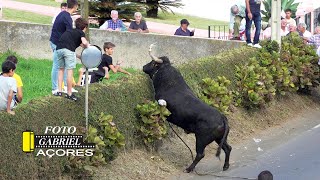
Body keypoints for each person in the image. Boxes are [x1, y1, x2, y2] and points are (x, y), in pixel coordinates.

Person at [55, 18, 90, 101]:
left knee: (61, 70)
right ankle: (69, 93)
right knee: (69, 71)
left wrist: (79, 55)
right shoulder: (81, 32)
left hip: (59, 49)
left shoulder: (70, 31)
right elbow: (84, 43)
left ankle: (59, 91)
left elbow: (73, 44)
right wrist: (88, 45)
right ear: (84, 27)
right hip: (68, 50)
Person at [49, 0, 79, 95]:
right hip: (57, 43)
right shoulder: (67, 17)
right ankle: (55, 88)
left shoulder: (62, 14)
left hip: (57, 41)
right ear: (75, 7)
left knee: (63, 65)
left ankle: (65, 86)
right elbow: (69, 33)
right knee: (57, 65)